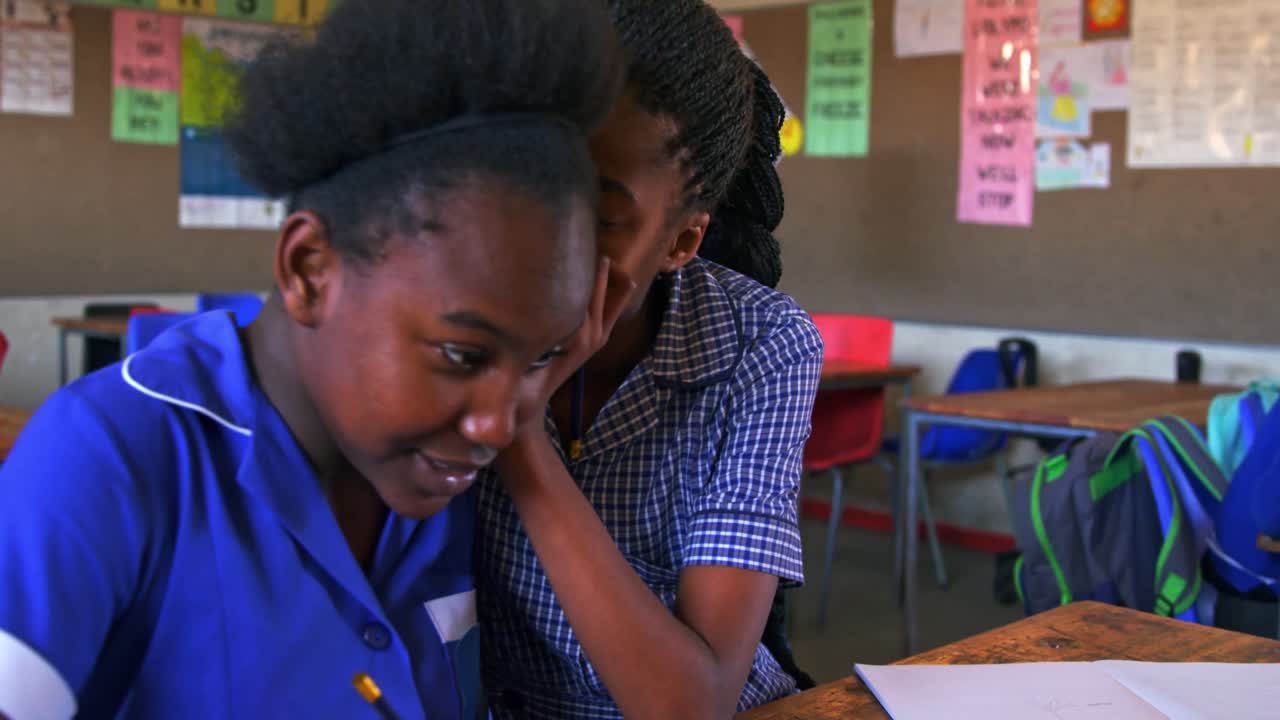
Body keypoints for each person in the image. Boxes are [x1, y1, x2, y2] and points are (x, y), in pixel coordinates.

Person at [0, 1, 626, 717]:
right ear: (309, 269)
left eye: (544, 359)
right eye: (461, 354)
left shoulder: (459, 488)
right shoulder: (109, 460)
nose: (499, 424)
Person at [475, 1, 824, 717]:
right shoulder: (442, 314)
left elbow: (688, 704)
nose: (533, 246)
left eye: (596, 219)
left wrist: (519, 428)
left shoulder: (762, 347)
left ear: (680, 242)